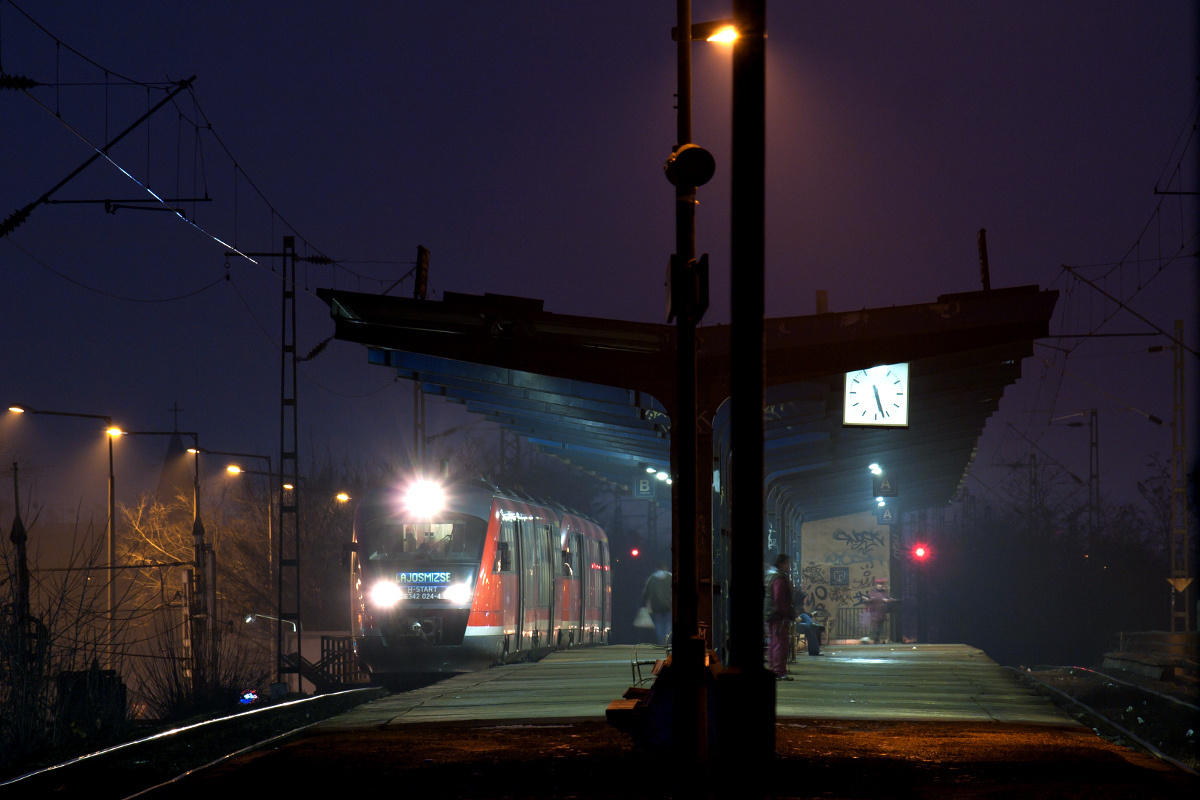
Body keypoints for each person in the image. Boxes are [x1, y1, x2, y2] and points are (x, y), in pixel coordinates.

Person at [765, 554, 798, 679]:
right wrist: (786, 613)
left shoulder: (770, 575)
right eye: (788, 563)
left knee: (773, 643)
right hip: (778, 616)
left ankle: (773, 669)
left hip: (771, 614)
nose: (789, 566)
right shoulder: (779, 578)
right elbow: (779, 598)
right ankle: (779, 671)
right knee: (780, 643)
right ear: (782, 564)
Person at [641, 564, 672, 646]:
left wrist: (644, 604)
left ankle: (661, 642)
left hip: (656, 606)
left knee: (658, 624)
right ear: (665, 568)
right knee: (668, 624)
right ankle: (666, 642)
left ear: (656, 568)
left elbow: (646, 593)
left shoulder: (651, 578)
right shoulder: (670, 576)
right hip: (669, 606)